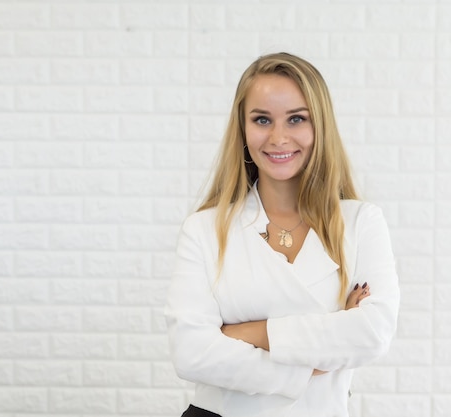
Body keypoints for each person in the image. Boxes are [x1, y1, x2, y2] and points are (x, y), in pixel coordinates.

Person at [164, 52, 400, 417]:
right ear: (242, 129)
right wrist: (318, 363)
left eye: (296, 119)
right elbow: (191, 353)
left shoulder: (360, 223)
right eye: (262, 119)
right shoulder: (204, 230)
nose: (278, 137)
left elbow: (372, 334)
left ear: (319, 125)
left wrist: (247, 333)